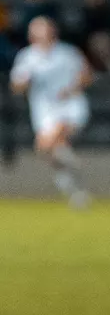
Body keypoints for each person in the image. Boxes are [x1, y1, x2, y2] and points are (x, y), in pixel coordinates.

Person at [10, 17, 93, 207]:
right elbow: (16, 86)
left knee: (56, 137)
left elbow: (86, 75)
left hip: (70, 105)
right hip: (44, 110)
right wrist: (24, 82)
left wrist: (72, 89)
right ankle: (73, 185)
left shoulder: (67, 53)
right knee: (44, 149)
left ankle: (68, 160)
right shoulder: (27, 57)